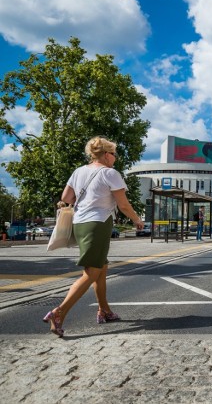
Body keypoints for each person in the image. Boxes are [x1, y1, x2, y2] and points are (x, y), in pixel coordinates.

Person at [42, 137, 144, 338]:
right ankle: (59, 312)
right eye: (113, 154)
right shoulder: (110, 173)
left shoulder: (79, 171)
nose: (115, 158)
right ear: (106, 154)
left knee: (101, 267)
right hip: (97, 224)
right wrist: (137, 220)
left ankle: (104, 310)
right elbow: (123, 205)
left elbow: (66, 198)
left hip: (79, 223)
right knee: (91, 272)